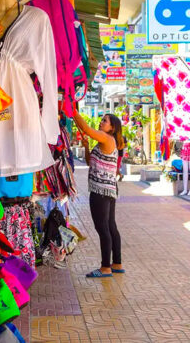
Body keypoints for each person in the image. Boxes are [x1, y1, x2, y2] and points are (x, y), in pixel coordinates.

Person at [73, 111, 125, 278]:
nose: (101, 122)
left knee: (102, 228)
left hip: (100, 191)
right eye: (102, 120)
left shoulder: (106, 138)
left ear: (112, 128)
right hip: (108, 189)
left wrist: (73, 111)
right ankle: (116, 263)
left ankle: (105, 267)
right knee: (110, 227)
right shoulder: (106, 141)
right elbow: (90, 163)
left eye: (105, 121)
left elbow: (86, 128)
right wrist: (87, 147)